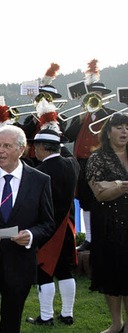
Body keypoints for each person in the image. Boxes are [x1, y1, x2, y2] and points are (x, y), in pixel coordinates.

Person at [0, 124, 55, 333]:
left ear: (21, 150)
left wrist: (31, 235)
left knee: (11, 323)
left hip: (19, 266)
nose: (0, 150)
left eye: (7, 146)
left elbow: (48, 223)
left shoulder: (40, 180)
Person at [25, 129, 79, 326]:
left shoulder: (40, 171)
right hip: (67, 225)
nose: (33, 150)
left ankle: (46, 316)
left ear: (41, 148)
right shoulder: (72, 164)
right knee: (65, 271)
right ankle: (67, 314)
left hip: (46, 227)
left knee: (44, 271)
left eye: (35, 146)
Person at [63, 59, 116, 252]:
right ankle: (91, 239)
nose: (93, 98)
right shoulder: (82, 117)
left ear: (102, 96)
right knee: (85, 202)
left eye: (96, 95)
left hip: (103, 163)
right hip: (82, 163)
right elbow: (68, 136)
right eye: (90, 95)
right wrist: (79, 116)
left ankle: (106, 238)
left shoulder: (110, 114)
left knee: (103, 200)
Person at [85, 113, 128, 333]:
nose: (124, 132)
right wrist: (123, 185)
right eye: (119, 127)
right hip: (109, 226)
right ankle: (116, 324)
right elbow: (100, 193)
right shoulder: (98, 158)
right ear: (108, 132)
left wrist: (116, 185)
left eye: (127, 128)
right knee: (112, 274)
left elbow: (108, 188)